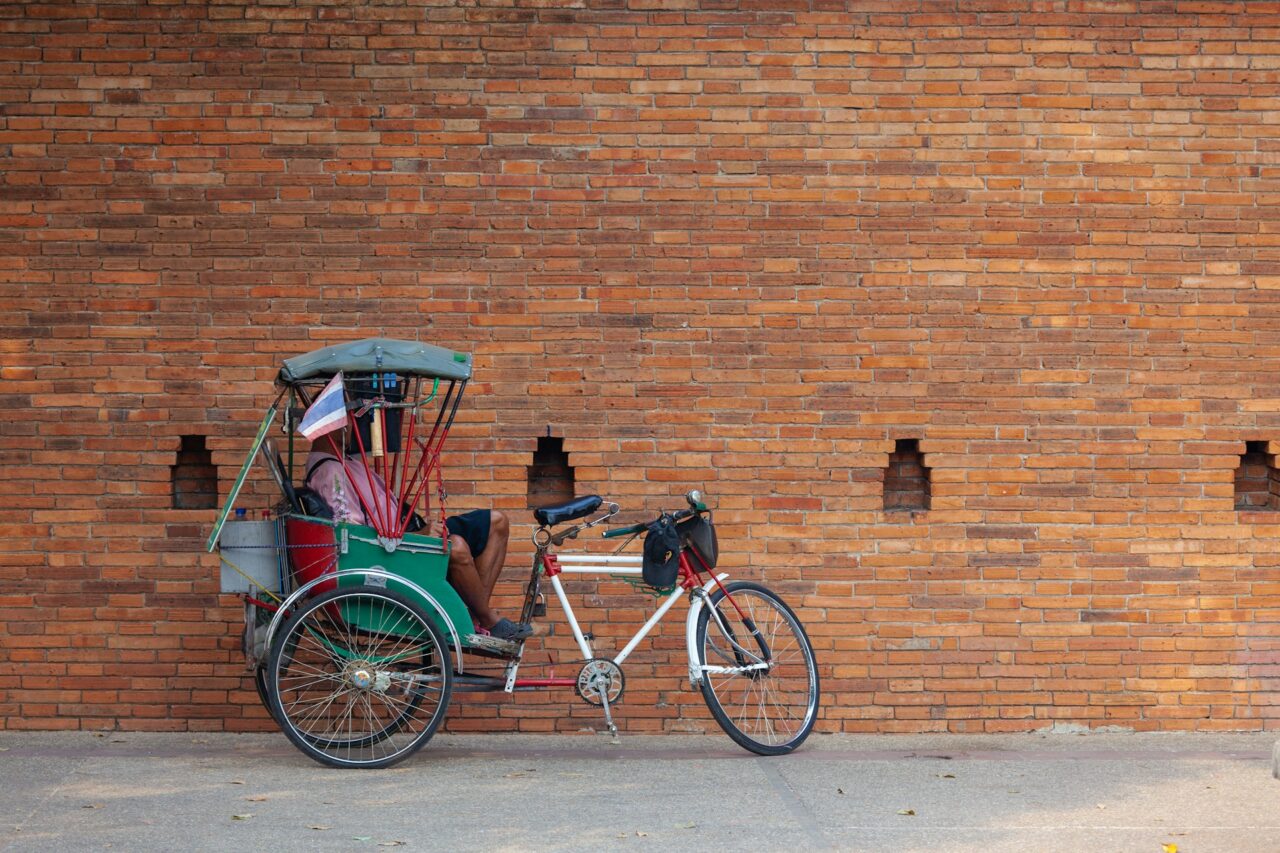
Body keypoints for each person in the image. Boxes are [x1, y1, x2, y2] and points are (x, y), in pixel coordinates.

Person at [303, 450, 532, 642]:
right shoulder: (330, 471)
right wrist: (419, 536)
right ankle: (487, 618)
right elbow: (353, 534)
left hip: (403, 532)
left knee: (496, 522)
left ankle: (473, 615)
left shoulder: (351, 462)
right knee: (457, 546)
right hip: (388, 548)